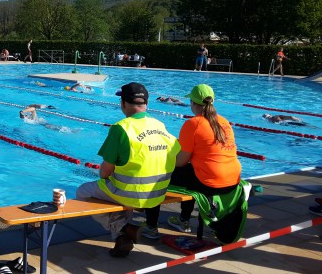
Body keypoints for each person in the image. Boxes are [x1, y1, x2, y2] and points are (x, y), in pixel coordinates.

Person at [76, 82, 180, 257]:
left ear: (123, 103)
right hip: (157, 194)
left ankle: (123, 228)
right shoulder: (160, 125)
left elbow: (106, 170)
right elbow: (177, 156)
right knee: (125, 188)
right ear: (146, 104)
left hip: (132, 195)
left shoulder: (121, 128)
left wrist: (104, 178)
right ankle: (122, 238)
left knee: (83, 192)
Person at [164, 84, 242, 236]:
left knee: (172, 172)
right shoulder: (224, 121)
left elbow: (180, 162)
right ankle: (209, 206)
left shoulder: (193, 124)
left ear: (193, 103)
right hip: (234, 179)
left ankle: (180, 220)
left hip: (210, 182)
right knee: (193, 171)